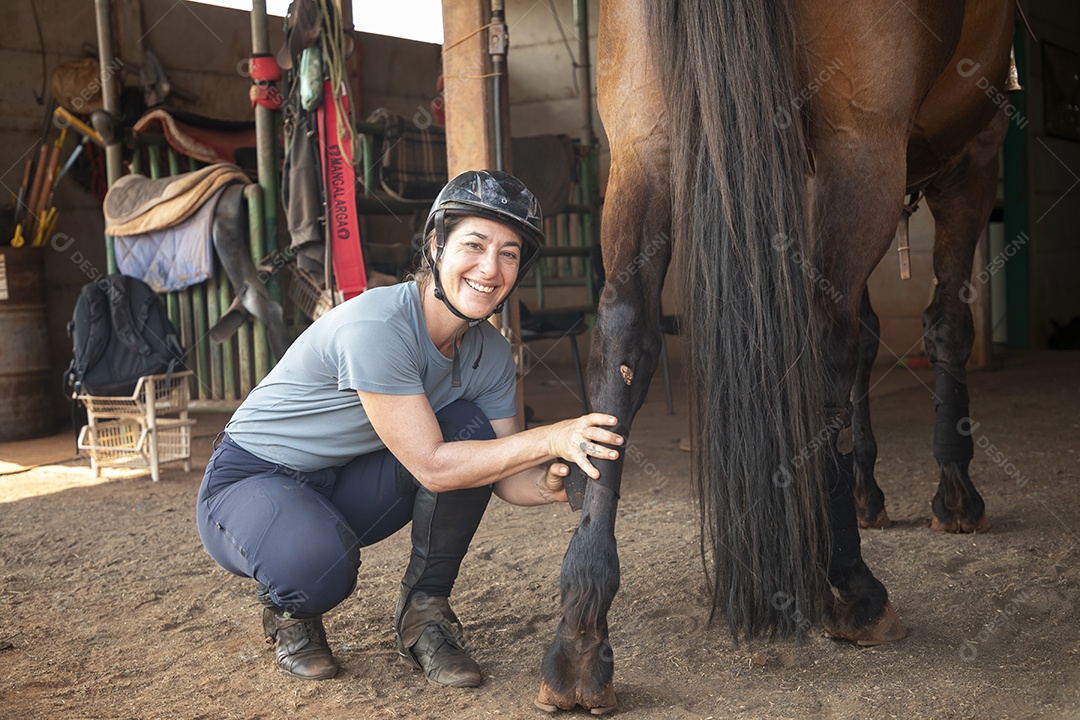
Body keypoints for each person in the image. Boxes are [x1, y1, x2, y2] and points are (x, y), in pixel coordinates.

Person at [195, 169, 623, 688]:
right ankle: (290, 611)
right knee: (318, 567)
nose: (490, 268)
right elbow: (432, 466)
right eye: (475, 243)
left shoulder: (488, 351)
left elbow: (501, 471)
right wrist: (551, 435)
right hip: (250, 480)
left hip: (344, 479)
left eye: (509, 253)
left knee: (469, 427)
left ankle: (425, 616)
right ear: (436, 246)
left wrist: (546, 484)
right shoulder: (377, 324)